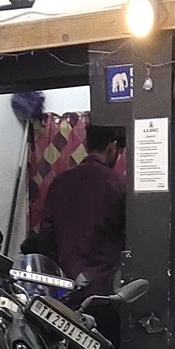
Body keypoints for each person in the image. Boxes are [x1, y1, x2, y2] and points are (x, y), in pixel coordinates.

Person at [36, 123, 128, 298]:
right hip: (105, 291)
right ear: (113, 147)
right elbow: (129, 238)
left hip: (66, 288)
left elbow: (46, 236)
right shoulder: (119, 185)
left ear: (86, 145)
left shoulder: (59, 182)